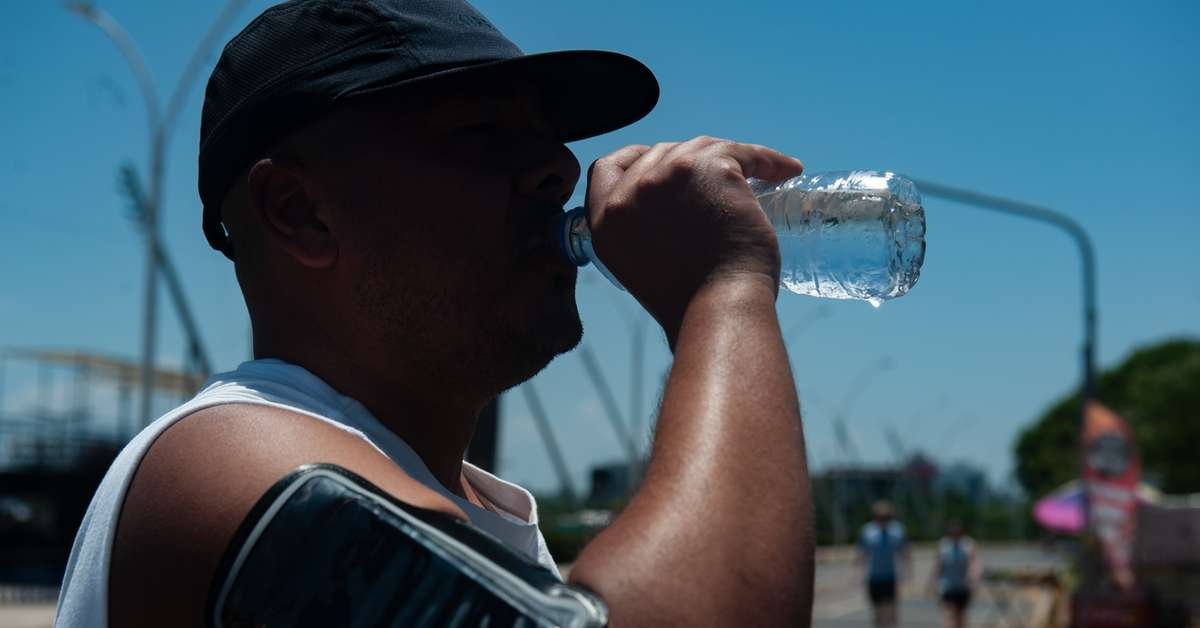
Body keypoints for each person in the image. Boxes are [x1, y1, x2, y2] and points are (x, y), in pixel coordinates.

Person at [54, 1, 816, 626]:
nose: (560, 168)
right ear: (299, 211)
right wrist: (723, 293)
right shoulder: (222, 462)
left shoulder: (469, 506)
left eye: (547, 139)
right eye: (481, 133)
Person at [858, 500, 910, 628]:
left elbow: (905, 552)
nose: (883, 520)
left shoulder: (898, 531)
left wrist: (907, 572)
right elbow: (862, 553)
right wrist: (858, 574)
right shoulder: (867, 531)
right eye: (880, 517)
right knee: (877, 612)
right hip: (874, 577)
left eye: (886, 517)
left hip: (890, 576)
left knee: (890, 612)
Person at [931, 519, 980, 628]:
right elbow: (938, 566)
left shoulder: (968, 545)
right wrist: (934, 582)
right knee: (948, 615)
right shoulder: (943, 546)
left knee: (961, 616)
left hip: (963, 587)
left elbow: (974, 564)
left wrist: (974, 579)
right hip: (948, 586)